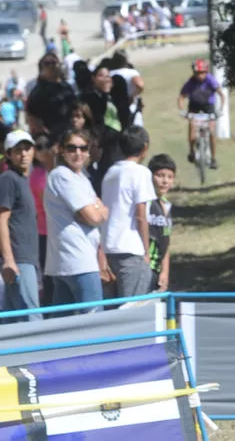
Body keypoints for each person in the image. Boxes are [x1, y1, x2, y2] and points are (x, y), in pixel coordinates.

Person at [44, 127, 110, 312]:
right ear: (62, 150)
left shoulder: (82, 179)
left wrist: (99, 212)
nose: (78, 152)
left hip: (80, 259)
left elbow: (96, 214)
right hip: (77, 260)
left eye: (83, 148)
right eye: (72, 148)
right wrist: (99, 212)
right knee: (93, 323)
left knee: (64, 327)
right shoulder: (62, 176)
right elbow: (94, 215)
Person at [101, 127, 155, 298]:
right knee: (133, 308)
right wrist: (146, 251)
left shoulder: (110, 172)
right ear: (144, 148)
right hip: (131, 249)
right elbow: (141, 215)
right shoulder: (141, 173)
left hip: (109, 248)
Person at [0, 131, 42, 322]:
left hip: (27, 258)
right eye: (18, 150)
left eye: (27, 148)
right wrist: (9, 260)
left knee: (12, 318)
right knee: (31, 316)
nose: (24, 154)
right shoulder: (9, 179)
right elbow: (2, 219)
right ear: (8, 154)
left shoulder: (23, 179)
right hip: (19, 259)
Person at [177, 59, 226, 169]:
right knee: (192, 127)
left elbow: (221, 95)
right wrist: (182, 110)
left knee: (212, 131)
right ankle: (191, 151)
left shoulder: (210, 80)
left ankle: (213, 158)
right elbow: (181, 97)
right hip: (194, 106)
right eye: (198, 73)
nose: (201, 76)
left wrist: (221, 109)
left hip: (208, 106)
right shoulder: (190, 82)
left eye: (203, 72)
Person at [25, 54, 76, 145]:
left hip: (69, 132)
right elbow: (31, 115)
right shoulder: (38, 91)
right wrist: (44, 133)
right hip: (49, 137)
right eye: (47, 63)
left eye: (54, 62)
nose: (52, 66)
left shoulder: (67, 87)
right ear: (41, 69)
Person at [29, 133, 53, 304]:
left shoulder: (54, 172)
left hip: (53, 230)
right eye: (38, 147)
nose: (42, 150)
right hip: (44, 231)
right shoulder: (38, 175)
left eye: (45, 146)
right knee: (48, 276)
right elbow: (48, 203)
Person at [147, 152, 174, 291]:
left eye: (169, 177)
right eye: (160, 175)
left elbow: (166, 242)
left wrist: (165, 271)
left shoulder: (167, 206)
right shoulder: (145, 203)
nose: (165, 181)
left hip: (158, 269)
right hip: (144, 266)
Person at [110, 49, 144, 126]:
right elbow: (140, 85)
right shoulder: (131, 73)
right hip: (131, 105)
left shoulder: (110, 74)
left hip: (115, 106)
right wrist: (132, 95)